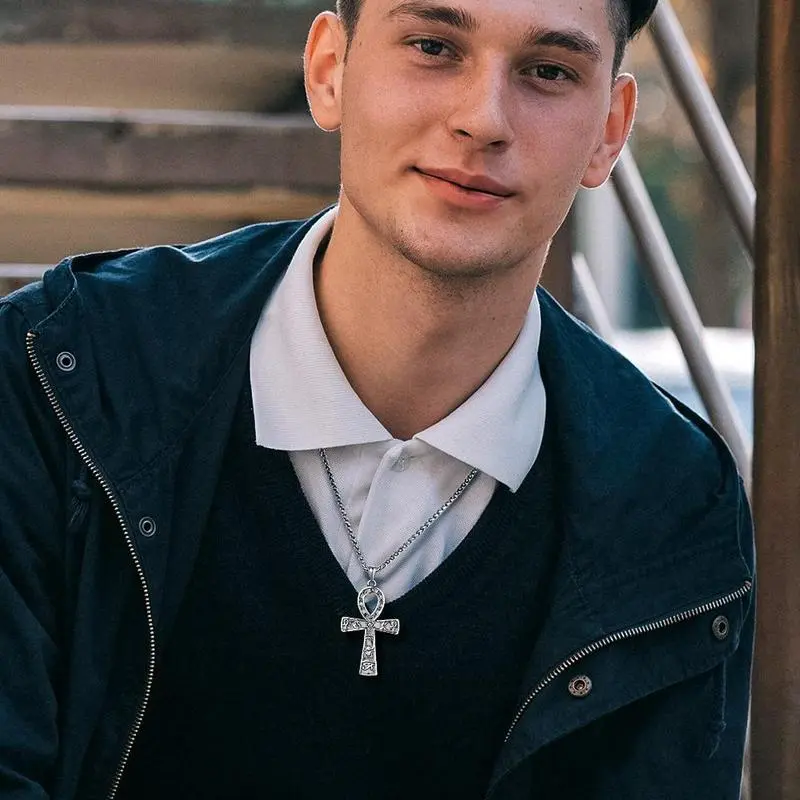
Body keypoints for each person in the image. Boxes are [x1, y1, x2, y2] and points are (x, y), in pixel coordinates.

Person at [0, 0, 755, 797]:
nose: (483, 119)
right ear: (330, 71)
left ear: (609, 129)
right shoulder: (64, 377)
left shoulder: (671, 500)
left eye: (548, 71)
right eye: (433, 46)